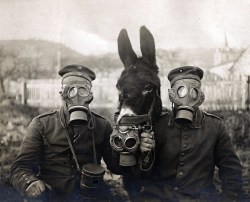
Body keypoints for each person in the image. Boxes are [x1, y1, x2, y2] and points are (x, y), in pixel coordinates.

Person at [10, 64, 123, 201]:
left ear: (90, 95)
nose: (77, 97)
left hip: (92, 196)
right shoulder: (42, 124)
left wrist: (126, 146)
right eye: (71, 91)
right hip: (52, 196)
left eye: (83, 91)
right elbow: (20, 167)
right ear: (62, 94)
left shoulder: (102, 125)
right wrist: (30, 183)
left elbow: (116, 167)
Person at [136, 66, 243, 201]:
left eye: (194, 91)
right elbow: (139, 175)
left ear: (200, 96)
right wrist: (144, 156)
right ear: (172, 95)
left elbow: (231, 171)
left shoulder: (215, 127)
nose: (187, 96)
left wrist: (228, 198)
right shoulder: (156, 125)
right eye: (181, 90)